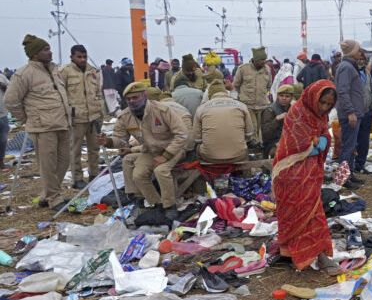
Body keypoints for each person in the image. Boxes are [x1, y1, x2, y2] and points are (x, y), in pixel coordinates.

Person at [272, 80, 338, 271]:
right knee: (294, 214)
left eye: (328, 104)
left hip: (310, 172)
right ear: (312, 97)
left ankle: (318, 254)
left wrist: (323, 140)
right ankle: (291, 253)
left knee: (312, 213)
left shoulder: (321, 116)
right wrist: (316, 145)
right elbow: (297, 145)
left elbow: (324, 135)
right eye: (322, 102)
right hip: (290, 172)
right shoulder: (297, 114)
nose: (324, 107)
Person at [96, 82, 187, 219]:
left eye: (135, 97)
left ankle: (170, 205)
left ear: (144, 96)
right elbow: (120, 139)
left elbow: (182, 134)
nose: (132, 101)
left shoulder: (162, 110)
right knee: (138, 175)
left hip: (173, 149)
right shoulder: (125, 116)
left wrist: (166, 155)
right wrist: (107, 142)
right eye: (129, 99)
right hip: (150, 151)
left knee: (160, 171)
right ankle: (157, 204)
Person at [5, 35, 71, 210]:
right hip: (42, 128)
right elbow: (10, 101)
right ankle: (54, 198)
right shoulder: (23, 74)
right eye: (45, 49)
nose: (49, 52)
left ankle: (46, 193)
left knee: (64, 161)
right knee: (48, 164)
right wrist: (28, 118)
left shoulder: (55, 70)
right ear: (34, 54)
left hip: (62, 123)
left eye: (49, 48)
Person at [60, 44, 102, 189]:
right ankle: (77, 178)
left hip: (94, 116)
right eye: (79, 57)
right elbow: (61, 95)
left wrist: (99, 110)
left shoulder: (93, 71)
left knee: (94, 148)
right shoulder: (65, 72)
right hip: (76, 118)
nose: (82, 59)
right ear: (71, 57)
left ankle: (94, 174)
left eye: (84, 56)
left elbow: (98, 92)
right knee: (75, 150)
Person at [193, 80, 253, 163]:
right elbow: (249, 133)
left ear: (210, 94)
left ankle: (206, 174)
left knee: (197, 148)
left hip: (210, 157)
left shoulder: (201, 109)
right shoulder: (241, 106)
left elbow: (197, 139)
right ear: (225, 92)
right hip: (239, 156)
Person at [335, 40, 367, 188]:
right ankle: (344, 179)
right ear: (352, 51)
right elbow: (342, 91)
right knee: (348, 147)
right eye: (357, 49)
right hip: (350, 114)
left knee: (351, 145)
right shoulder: (346, 67)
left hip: (355, 112)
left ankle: (350, 174)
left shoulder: (349, 66)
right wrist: (350, 112)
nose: (360, 51)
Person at [234, 46, 272, 144]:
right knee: (253, 128)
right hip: (248, 105)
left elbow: (269, 86)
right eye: (261, 60)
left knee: (261, 128)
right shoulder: (243, 69)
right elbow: (236, 85)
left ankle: (260, 146)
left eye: (265, 59)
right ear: (255, 60)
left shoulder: (267, 69)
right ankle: (254, 148)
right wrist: (242, 96)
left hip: (262, 104)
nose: (264, 62)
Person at [354, 51, 372, 173]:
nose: (360, 61)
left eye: (362, 59)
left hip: (367, 112)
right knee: (353, 140)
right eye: (358, 59)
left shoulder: (367, 73)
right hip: (355, 113)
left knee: (364, 140)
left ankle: (360, 164)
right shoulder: (351, 73)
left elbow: (371, 91)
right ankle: (353, 164)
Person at [261, 84, 293, 158]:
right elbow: (265, 134)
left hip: (288, 141)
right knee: (279, 151)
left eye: (287, 96)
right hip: (272, 143)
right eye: (281, 95)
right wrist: (276, 119)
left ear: (291, 97)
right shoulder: (270, 110)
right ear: (278, 96)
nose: (284, 98)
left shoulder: (293, 109)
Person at [0, 70, 9, 169]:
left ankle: (1, 162)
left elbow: (11, 90)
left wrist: (3, 86)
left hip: (2, 114)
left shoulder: (2, 77)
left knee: (3, 139)